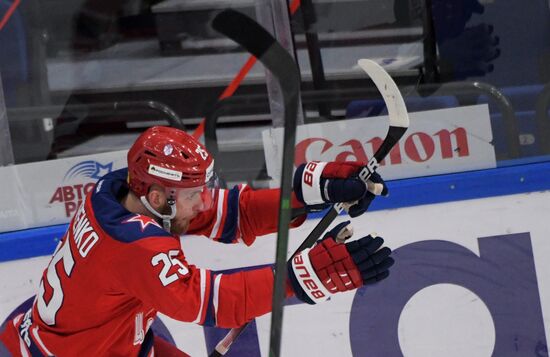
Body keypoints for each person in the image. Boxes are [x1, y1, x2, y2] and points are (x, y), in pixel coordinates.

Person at [0, 126, 394, 356]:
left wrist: (308, 195)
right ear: (157, 197)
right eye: (193, 195)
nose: (201, 202)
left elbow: (228, 214)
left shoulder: (119, 191)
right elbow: (213, 301)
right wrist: (303, 277)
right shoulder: (134, 245)